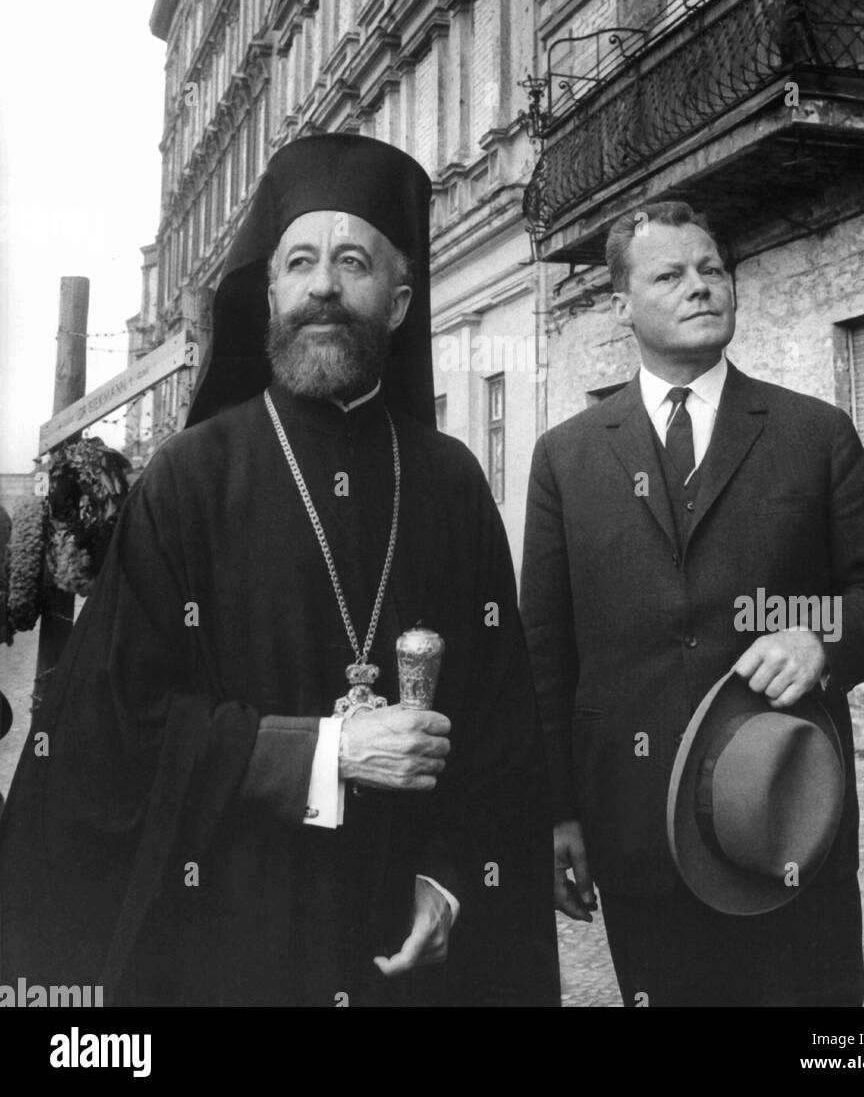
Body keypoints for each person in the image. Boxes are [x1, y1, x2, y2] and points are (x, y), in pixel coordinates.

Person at [0, 133, 559, 1008]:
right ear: (269, 295)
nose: (324, 285)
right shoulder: (188, 479)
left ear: (401, 299)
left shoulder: (451, 481)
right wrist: (324, 751)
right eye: (299, 262)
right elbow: (112, 728)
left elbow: (499, 728)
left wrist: (451, 879)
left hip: (408, 948)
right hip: (233, 928)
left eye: (352, 261)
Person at [520, 199, 864, 1007]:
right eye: (669, 274)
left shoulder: (813, 434)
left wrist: (819, 640)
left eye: (712, 269)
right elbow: (544, 651)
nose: (699, 287)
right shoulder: (567, 457)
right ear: (621, 305)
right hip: (634, 831)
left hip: (785, 815)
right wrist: (556, 813)